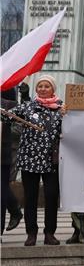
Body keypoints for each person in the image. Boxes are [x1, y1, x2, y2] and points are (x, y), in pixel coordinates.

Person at [1, 75, 65, 246]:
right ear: (36, 89)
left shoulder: (61, 109)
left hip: (51, 161)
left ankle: (50, 233)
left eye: (47, 86)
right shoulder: (28, 107)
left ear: (53, 89)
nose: (43, 89)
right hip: (29, 160)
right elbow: (6, 116)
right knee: (31, 197)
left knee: (51, 196)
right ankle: (31, 233)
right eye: (40, 86)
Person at [1, 87, 23, 234]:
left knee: (1, 189)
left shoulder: (7, 89)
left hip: (3, 151)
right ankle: (14, 208)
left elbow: (18, 127)